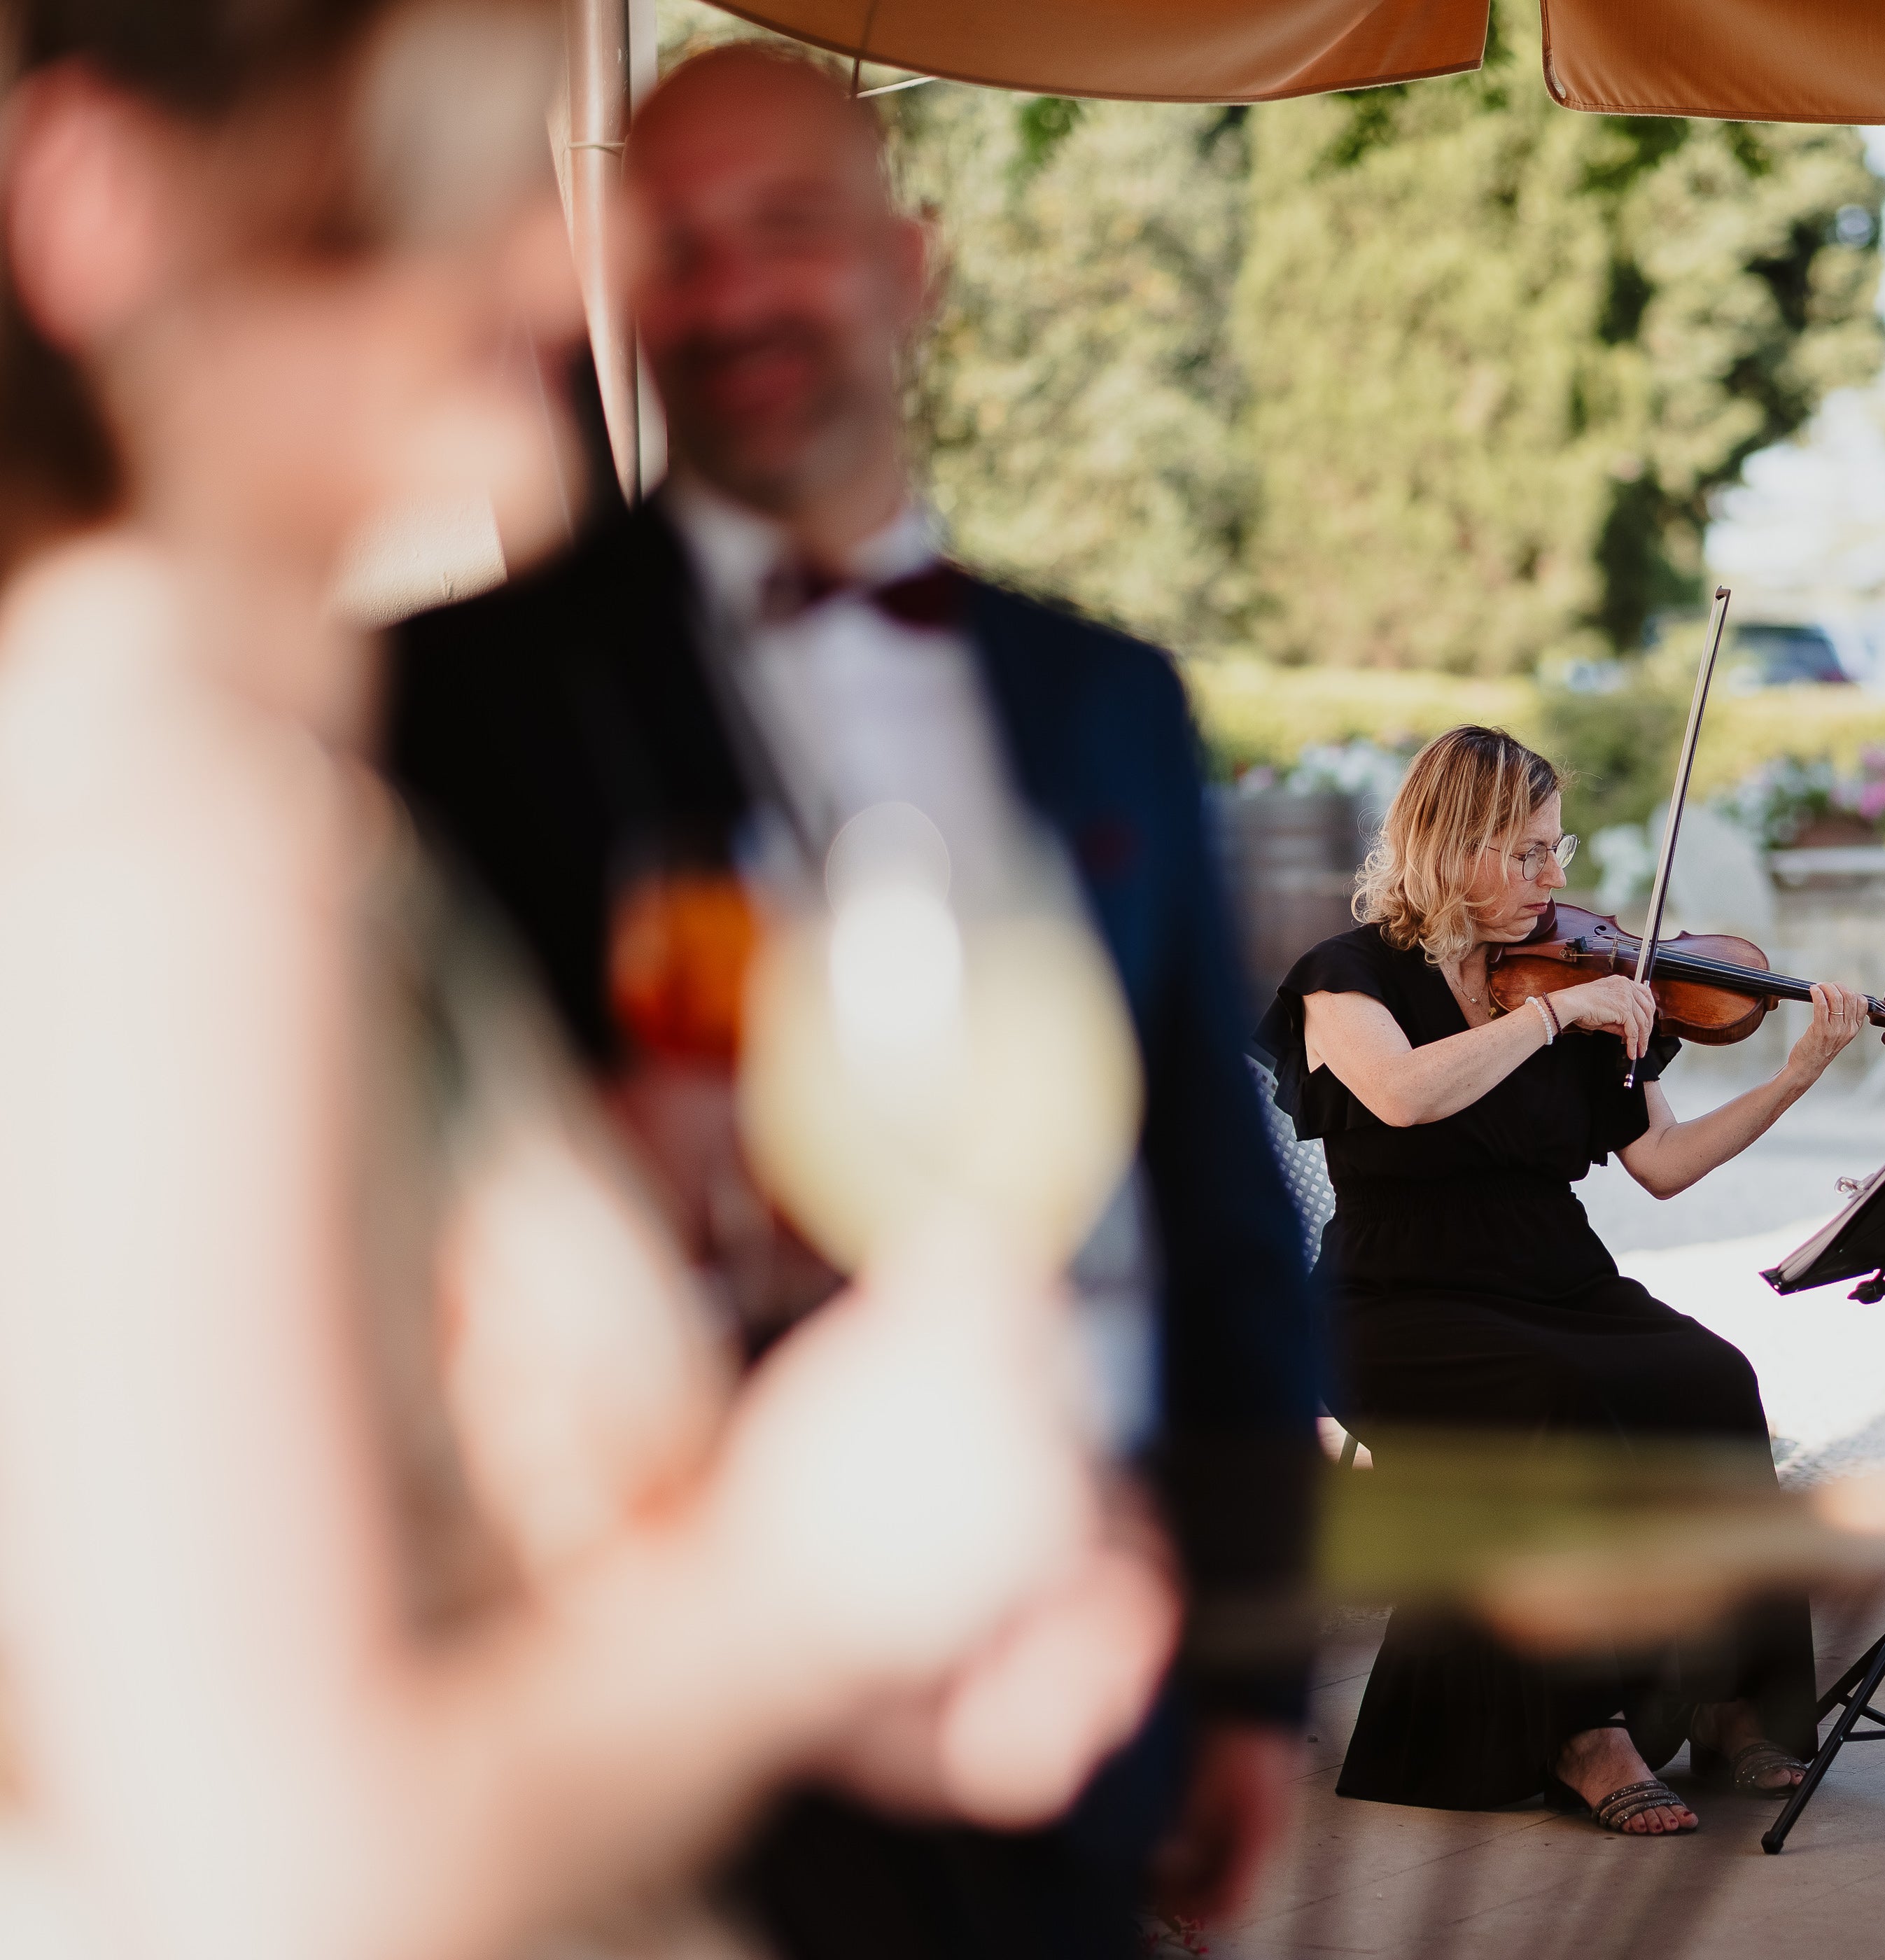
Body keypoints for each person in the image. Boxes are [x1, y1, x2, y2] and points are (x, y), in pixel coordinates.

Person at [0, 4, 1171, 1959]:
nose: (566, 264)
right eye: (450, 170)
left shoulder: (259, 810)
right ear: (107, 208)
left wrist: (832, 1642)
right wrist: (798, 1577)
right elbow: (259, 1875)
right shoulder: (164, 859)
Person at [381, 43, 1321, 1956]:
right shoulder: (461, 699)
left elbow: (1218, 1207)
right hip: (675, 1698)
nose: (731, 299)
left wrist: (1252, 1679)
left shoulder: (1108, 702)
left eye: (787, 235)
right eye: (681, 247)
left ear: (911, 264)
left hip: (1091, 1645)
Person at [1254, 725, 1867, 1837]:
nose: (1556, 877)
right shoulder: (1348, 978)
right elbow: (1400, 1096)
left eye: (1557, 848)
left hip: (1556, 1274)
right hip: (1400, 1296)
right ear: (1449, 847)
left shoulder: (1585, 974)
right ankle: (1587, 1730)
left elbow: (1667, 1167)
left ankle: (1733, 1702)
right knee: (1557, 1400)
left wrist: (1795, 1075)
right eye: (1528, 853)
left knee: (1710, 1377)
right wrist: (1548, 1017)